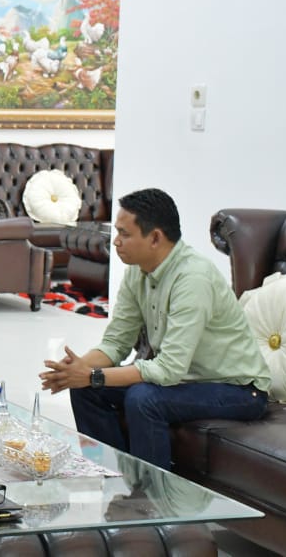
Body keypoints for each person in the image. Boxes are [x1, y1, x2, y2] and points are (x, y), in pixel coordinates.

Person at [39, 188, 270, 469]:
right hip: (187, 382)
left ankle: (150, 497)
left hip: (238, 390)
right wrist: (74, 371)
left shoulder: (193, 279)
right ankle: (110, 475)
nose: (116, 241)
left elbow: (168, 370)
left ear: (155, 238)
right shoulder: (137, 271)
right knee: (86, 389)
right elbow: (115, 344)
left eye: (124, 234)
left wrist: (93, 375)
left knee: (143, 398)